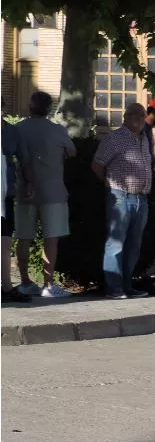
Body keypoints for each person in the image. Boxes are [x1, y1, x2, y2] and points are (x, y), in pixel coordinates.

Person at [13, 91, 76, 299]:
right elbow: (72, 151)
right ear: (49, 108)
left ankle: (25, 282)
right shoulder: (57, 130)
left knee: (24, 237)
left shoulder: (18, 129)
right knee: (51, 239)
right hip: (53, 191)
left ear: (30, 107)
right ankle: (48, 284)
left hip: (24, 190)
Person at [92, 103, 153, 299]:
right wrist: (109, 184)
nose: (138, 118)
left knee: (134, 246)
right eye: (134, 114)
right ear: (125, 117)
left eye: (142, 115)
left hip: (141, 199)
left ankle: (127, 286)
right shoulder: (114, 138)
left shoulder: (144, 139)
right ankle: (114, 288)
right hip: (120, 197)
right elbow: (97, 165)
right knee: (116, 244)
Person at [2, 119, 28, 302]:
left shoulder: (11, 132)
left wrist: (28, 182)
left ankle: (6, 287)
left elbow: (23, 159)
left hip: (5, 193)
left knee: (4, 241)